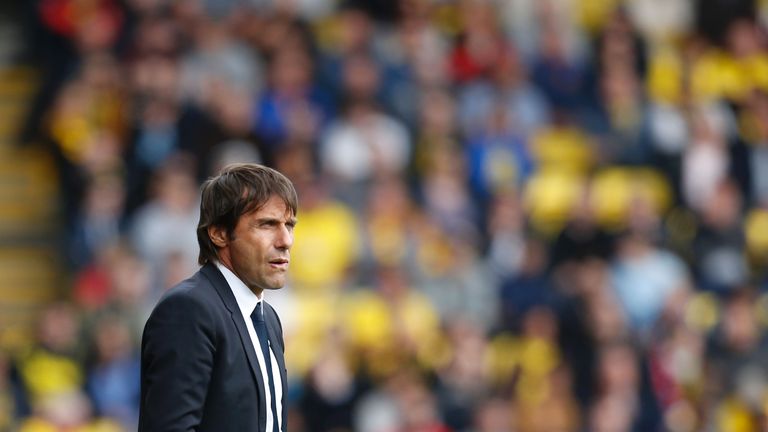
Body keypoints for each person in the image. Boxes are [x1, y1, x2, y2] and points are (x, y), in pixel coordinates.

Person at [139, 163, 298, 431]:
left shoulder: (268, 318)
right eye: (267, 224)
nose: (286, 240)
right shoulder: (188, 310)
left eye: (289, 225)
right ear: (219, 233)